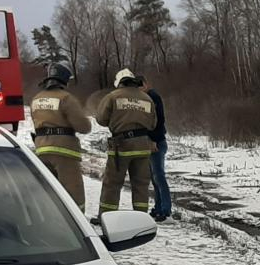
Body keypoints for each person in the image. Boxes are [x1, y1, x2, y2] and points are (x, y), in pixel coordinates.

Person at [29, 63, 92, 210]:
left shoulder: (37, 98)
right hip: (64, 151)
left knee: (48, 190)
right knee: (73, 192)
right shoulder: (66, 98)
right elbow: (84, 127)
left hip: (41, 149)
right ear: (64, 81)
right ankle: (78, 226)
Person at [95, 68, 157, 215]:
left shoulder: (113, 97)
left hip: (121, 146)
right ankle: (141, 217)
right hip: (143, 146)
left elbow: (101, 119)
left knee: (112, 184)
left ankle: (106, 216)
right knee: (141, 185)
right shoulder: (147, 99)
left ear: (119, 83)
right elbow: (153, 124)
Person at [139, 76, 171, 222]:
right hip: (151, 142)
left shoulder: (153, 97)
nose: (140, 89)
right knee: (155, 178)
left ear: (146, 84)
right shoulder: (146, 98)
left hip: (157, 143)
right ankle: (158, 208)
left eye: (141, 86)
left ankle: (166, 210)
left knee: (159, 176)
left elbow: (158, 121)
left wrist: (153, 140)